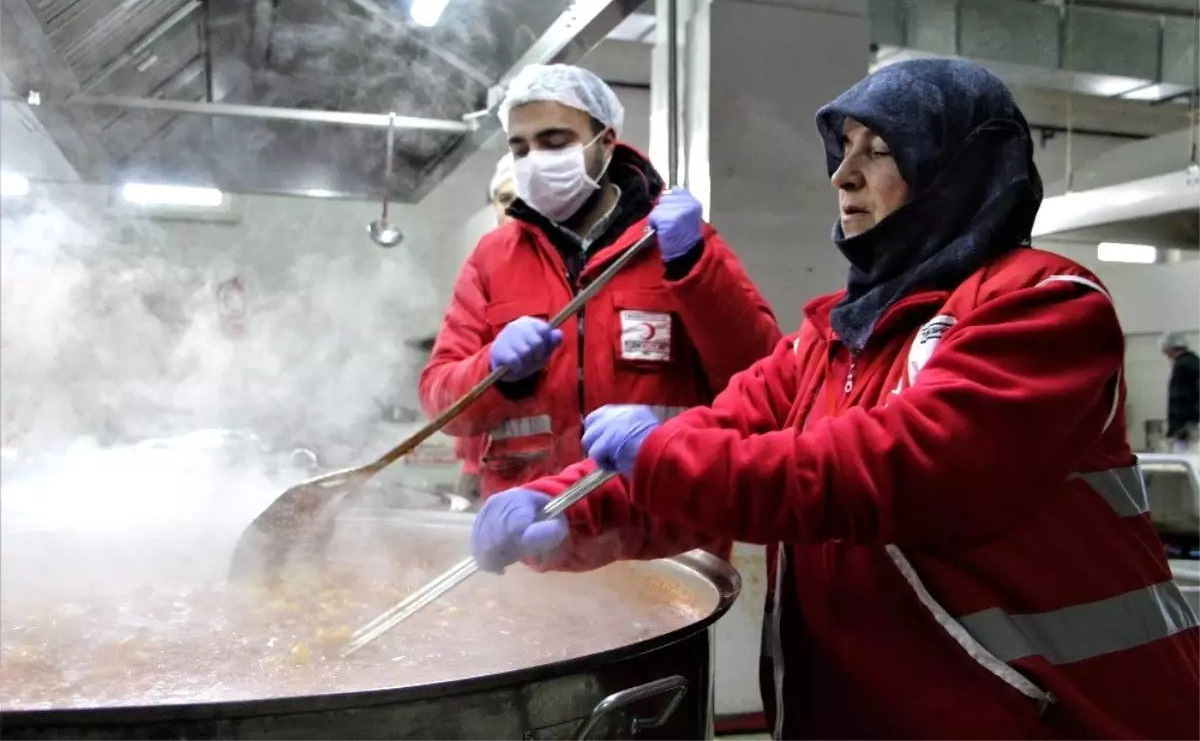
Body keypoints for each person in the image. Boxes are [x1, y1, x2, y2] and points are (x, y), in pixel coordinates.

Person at [468, 60, 1200, 739]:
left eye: (878, 150)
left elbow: (891, 470)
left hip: (1048, 715)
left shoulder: (1043, 307)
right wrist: (567, 508)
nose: (842, 176)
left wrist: (659, 451)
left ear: (958, 165)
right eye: (842, 150)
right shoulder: (829, 338)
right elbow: (722, 432)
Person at [419, 63, 781, 520]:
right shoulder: (492, 259)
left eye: (554, 142)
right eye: (520, 148)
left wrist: (696, 268)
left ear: (606, 141)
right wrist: (492, 371)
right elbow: (441, 405)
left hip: (661, 532)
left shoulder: (677, 245)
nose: (535, 159)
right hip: (533, 531)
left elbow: (759, 376)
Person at [453, 152, 520, 502]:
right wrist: (490, 363)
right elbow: (445, 384)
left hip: (547, 478)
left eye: (522, 200)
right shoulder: (481, 271)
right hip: (479, 470)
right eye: (505, 199)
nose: (512, 210)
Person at [1161, 330, 1200, 449]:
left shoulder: (1182, 366)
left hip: (1187, 426)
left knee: (1183, 455)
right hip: (1193, 423)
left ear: (1171, 349)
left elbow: (1179, 400)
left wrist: (1176, 429)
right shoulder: (1195, 362)